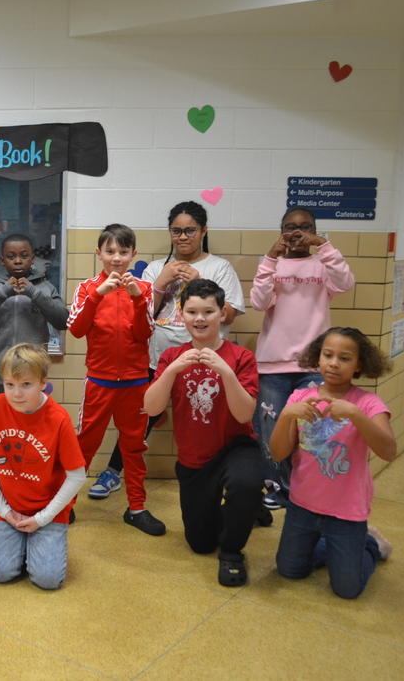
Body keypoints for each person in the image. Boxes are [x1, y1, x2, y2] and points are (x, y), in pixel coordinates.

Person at [89, 201, 246, 500]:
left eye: (190, 230)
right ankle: (113, 472)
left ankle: (223, 477)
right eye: (176, 230)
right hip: (157, 358)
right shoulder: (154, 268)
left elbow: (229, 315)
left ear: (203, 231)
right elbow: (142, 315)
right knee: (141, 418)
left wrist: (200, 285)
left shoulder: (219, 267)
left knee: (209, 417)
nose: (183, 236)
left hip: (204, 360)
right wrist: (160, 283)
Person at [144, 279, 264, 586]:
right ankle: (247, 510)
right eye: (193, 311)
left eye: (208, 311)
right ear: (181, 314)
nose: (200, 319)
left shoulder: (241, 358)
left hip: (235, 447)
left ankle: (234, 551)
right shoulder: (172, 357)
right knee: (200, 544)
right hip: (194, 458)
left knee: (245, 483)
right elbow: (152, 408)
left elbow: (244, 414)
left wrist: (224, 370)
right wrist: (171, 370)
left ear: (222, 314)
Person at [271, 327, 395, 599]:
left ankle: (370, 543)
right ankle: (334, 547)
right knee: (289, 570)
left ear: (359, 364)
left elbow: (388, 451)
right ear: (318, 357)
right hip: (302, 506)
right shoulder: (300, 398)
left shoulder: (368, 402)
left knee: (347, 589)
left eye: (345, 358)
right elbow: (278, 454)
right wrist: (286, 416)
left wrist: (355, 414)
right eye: (328, 355)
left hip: (346, 512)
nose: (334, 363)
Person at [251, 208, 355, 510]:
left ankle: (311, 488)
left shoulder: (323, 265)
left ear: (314, 230)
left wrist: (323, 245)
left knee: (313, 430)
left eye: (305, 227)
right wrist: (270, 258)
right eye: (290, 227)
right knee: (273, 430)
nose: (297, 233)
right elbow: (258, 302)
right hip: (274, 365)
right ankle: (279, 489)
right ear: (281, 230)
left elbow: (346, 283)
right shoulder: (273, 264)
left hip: (313, 366)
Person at [68, 224, 164, 536]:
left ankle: (136, 507)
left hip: (136, 383)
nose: (117, 258)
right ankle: (65, 506)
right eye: (110, 251)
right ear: (99, 254)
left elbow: (144, 333)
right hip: (99, 381)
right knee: (84, 446)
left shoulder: (145, 290)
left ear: (133, 254)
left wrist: (137, 298)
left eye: (124, 252)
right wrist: (98, 295)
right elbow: (77, 329)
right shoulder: (86, 288)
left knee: (134, 448)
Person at [0, 344, 86, 590]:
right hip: (9, 507)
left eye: (26, 385)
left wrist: (43, 519)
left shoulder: (58, 418)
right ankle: (22, 542)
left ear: (43, 382)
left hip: (47, 510)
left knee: (47, 580)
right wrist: (2, 509)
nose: (16, 394)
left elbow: (77, 476)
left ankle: (36, 541)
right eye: (9, 384)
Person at [0, 233, 69, 403]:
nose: (18, 261)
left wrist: (33, 293)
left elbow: (63, 321)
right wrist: (3, 293)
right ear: (2, 260)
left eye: (24, 255)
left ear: (33, 258)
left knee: (28, 422)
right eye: (11, 256)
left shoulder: (45, 288)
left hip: (32, 373)